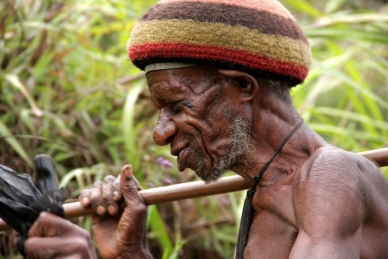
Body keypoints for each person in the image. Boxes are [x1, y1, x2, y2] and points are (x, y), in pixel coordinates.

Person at [21, 0, 388, 258]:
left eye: (178, 106)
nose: (160, 133)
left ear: (242, 87)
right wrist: (128, 254)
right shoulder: (270, 193)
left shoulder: (329, 176)